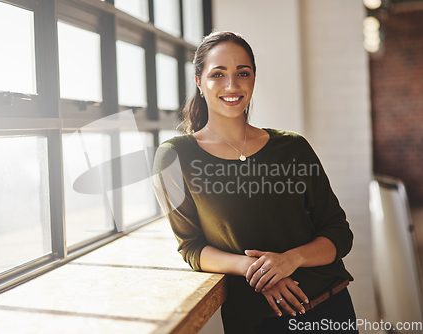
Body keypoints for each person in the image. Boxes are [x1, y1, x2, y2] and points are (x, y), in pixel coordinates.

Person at [152, 31, 358, 333]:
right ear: (199, 82)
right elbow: (192, 248)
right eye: (218, 74)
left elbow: (339, 233)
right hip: (258, 322)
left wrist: (290, 260)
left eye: (242, 73)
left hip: (332, 309)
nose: (232, 85)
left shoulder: (293, 147)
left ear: (253, 80)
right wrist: (256, 270)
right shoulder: (174, 158)